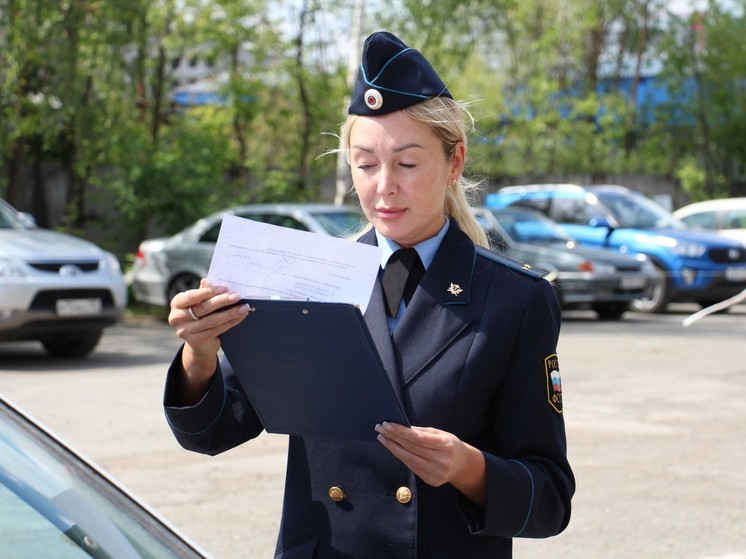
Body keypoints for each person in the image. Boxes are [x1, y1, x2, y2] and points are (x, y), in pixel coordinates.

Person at [164, 30, 574, 559]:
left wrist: (467, 467)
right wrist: (200, 353)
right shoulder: (307, 278)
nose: (384, 186)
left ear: (454, 163)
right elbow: (212, 432)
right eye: (365, 164)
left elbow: (550, 500)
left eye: (406, 163)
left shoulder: (514, 299)